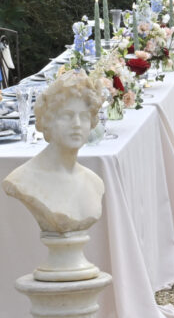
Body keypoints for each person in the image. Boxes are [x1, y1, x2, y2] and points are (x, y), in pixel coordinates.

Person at [3, 71, 104, 234]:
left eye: (84, 116)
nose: (77, 124)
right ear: (48, 120)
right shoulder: (22, 180)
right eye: (67, 116)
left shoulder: (95, 183)